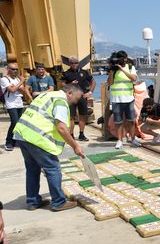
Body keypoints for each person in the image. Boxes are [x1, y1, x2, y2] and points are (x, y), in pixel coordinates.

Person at [13, 83, 85, 212]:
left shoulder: (49, 94)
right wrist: (75, 146)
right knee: (53, 168)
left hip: (22, 134)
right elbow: (61, 128)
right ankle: (59, 202)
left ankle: (33, 201)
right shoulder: (60, 101)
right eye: (77, 97)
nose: (76, 101)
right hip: (37, 138)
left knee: (32, 169)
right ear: (69, 93)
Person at [106, 51, 138, 149]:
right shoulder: (113, 70)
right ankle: (119, 140)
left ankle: (133, 139)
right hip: (117, 99)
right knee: (118, 122)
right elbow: (110, 83)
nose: (123, 60)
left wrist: (122, 69)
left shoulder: (130, 67)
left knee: (131, 120)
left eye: (124, 58)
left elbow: (133, 78)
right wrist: (112, 71)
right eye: (121, 58)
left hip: (129, 98)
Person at [60, 56, 95, 141]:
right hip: (71, 98)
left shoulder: (84, 72)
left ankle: (81, 134)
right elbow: (61, 84)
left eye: (76, 62)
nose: (74, 64)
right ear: (69, 64)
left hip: (82, 97)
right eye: (72, 63)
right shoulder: (66, 73)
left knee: (82, 116)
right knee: (71, 116)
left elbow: (93, 82)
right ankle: (71, 134)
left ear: (78, 63)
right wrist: (70, 84)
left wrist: (90, 92)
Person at [1, 62, 26, 151]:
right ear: (8, 69)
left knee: (19, 123)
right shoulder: (4, 79)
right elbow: (12, 90)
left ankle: (16, 141)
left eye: (16, 69)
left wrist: (18, 86)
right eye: (13, 69)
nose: (15, 71)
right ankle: (9, 142)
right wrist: (21, 83)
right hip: (11, 104)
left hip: (19, 103)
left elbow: (24, 92)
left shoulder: (17, 80)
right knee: (14, 122)